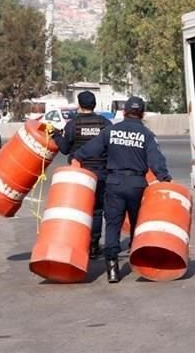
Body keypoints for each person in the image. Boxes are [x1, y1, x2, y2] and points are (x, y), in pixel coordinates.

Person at [74, 96, 171, 283]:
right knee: (137, 224)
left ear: (124, 111)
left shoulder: (111, 131)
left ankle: (112, 268)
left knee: (113, 225)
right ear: (142, 113)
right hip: (136, 185)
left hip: (114, 183)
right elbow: (156, 160)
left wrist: (77, 157)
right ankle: (138, 260)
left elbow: (90, 149)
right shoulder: (146, 134)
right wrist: (164, 178)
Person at [50, 91, 111, 259]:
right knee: (98, 210)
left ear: (79, 105)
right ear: (94, 105)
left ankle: (78, 243)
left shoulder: (72, 125)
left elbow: (64, 149)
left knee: (78, 212)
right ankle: (93, 244)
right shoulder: (105, 123)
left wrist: (55, 134)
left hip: (79, 175)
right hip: (101, 172)